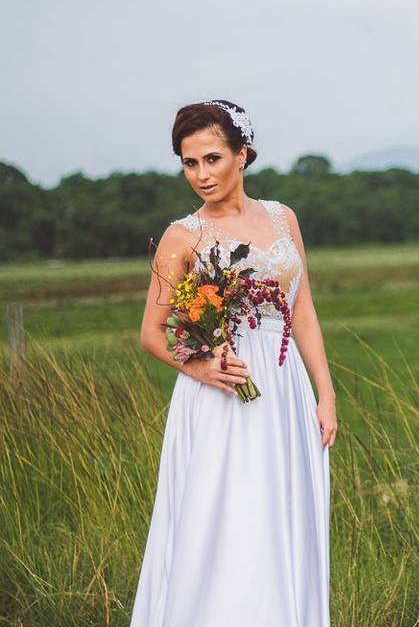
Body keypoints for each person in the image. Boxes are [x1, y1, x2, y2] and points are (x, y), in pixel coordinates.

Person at [131, 99, 336, 626]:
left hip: (285, 390)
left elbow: (303, 310)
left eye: (212, 158)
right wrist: (201, 368)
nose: (201, 174)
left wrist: (325, 393)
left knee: (279, 517)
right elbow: (153, 334)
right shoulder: (182, 237)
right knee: (224, 521)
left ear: (242, 154)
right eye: (188, 162)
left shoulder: (283, 217)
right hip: (221, 396)